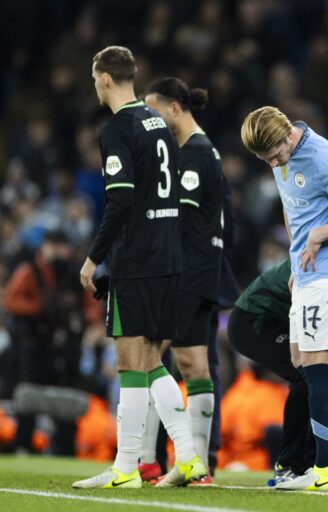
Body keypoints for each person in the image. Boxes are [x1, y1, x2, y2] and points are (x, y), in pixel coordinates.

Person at [73, 46, 205, 489]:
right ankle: (189, 456)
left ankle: (126, 466)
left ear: (105, 78)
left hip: (138, 259)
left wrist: (94, 257)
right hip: (168, 256)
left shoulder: (117, 128)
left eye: (94, 78)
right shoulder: (159, 124)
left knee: (130, 360)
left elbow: (121, 200)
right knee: (150, 362)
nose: (95, 86)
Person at [241, 106, 328, 491]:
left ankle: (325, 468)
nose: (273, 163)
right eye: (265, 159)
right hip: (308, 271)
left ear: (287, 136)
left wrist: (318, 235)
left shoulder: (320, 156)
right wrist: (296, 259)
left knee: (316, 363)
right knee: (301, 360)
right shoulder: (279, 156)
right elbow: (290, 205)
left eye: (275, 155)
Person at [136, 77, 226, 485]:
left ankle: (148, 459)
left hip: (187, 271)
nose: (151, 121)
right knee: (192, 363)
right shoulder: (205, 151)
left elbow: (180, 220)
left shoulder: (194, 155)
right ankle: (196, 464)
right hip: (204, 270)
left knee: (147, 357)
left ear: (174, 108)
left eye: (154, 112)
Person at [227, 245, 328, 485]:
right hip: (256, 318)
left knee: (318, 376)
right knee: (308, 375)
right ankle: (289, 463)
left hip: (287, 316)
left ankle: (316, 461)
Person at [4, 229, 101, 454]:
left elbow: (93, 309)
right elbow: (11, 301)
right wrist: (40, 307)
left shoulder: (76, 274)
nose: (57, 251)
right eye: (53, 246)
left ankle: (66, 448)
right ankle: (24, 444)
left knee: (66, 397)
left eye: (61, 246)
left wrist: (78, 316)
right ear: (44, 247)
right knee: (29, 394)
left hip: (67, 347)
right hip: (35, 345)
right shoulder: (31, 271)